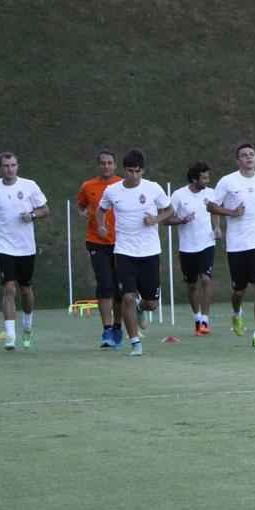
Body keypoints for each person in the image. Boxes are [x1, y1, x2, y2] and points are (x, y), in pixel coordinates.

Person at [97, 149, 173, 357]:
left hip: (150, 252)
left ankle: (141, 308)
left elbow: (169, 210)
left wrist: (155, 219)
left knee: (151, 304)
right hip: (124, 251)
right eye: (130, 171)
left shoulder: (153, 188)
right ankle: (135, 343)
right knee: (127, 297)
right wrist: (102, 226)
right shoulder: (113, 191)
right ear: (124, 170)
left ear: (143, 171)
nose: (134, 175)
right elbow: (101, 210)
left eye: (138, 171)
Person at [207, 143, 255, 348]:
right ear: (238, 160)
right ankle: (236, 313)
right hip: (237, 245)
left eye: (251, 154)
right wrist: (231, 213)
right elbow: (211, 206)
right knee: (239, 290)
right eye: (244, 155)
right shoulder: (228, 181)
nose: (249, 157)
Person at [0, 152, 50, 351]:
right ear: (0, 168)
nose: (9, 169)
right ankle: (10, 336)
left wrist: (32, 215)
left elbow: (45, 209)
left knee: (25, 289)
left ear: (17, 166)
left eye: (12, 165)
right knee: (9, 287)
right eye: (6, 166)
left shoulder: (29, 185)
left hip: (25, 246)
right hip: (3, 245)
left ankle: (27, 327)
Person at [75, 149, 123, 348]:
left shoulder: (122, 185)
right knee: (105, 285)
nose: (106, 166)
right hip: (97, 241)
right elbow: (81, 205)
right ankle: (107, 330)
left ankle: (118, 326)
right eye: (103, 163)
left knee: (120, 288)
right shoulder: (88, 186)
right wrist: (83, 212)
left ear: (115, 165)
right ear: (98, 165)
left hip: (122, 242)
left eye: (110, 163)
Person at [167, 162, 220, 336]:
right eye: (204, 178)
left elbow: (215, 211)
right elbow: (166, 219)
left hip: (207, 243)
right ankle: (197, 318)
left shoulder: (211, 193)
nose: (207, 180)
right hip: (187, 247)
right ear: (194, 179)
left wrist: (217, 227)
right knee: (192, 285)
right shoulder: (178, 195)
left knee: (206, 279)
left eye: (208, 177)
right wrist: (182, 220)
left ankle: (205, 319)